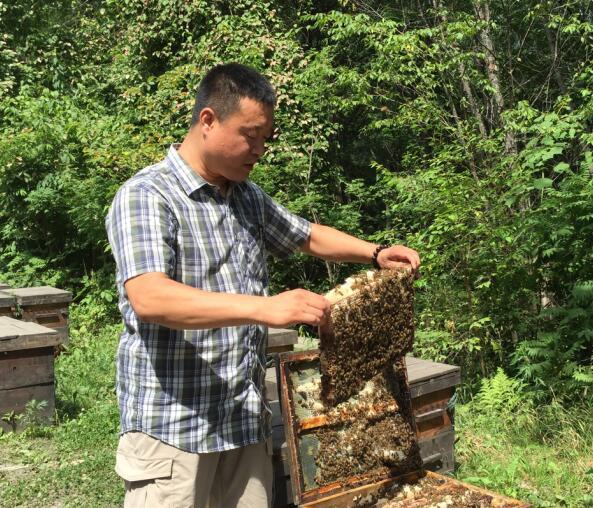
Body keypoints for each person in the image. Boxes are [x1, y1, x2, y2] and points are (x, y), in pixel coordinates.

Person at [105, 62, 420, 508]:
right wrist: (264, 308)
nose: (259, 151)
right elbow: (150, 298)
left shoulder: (245, 195)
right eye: (251, 136)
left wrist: (374, 252)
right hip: (174, 429)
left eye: (265, 141)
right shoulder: (146, 195)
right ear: (208, 121)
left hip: (242, 418)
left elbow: (306, 234)